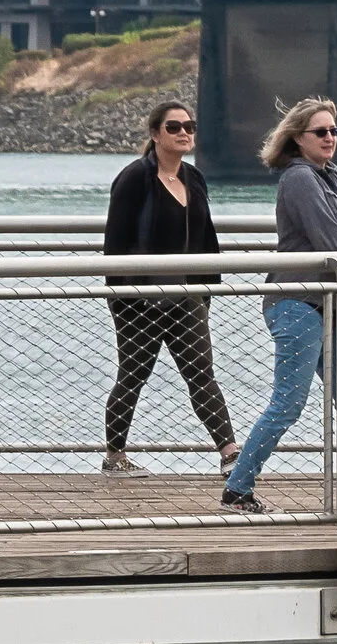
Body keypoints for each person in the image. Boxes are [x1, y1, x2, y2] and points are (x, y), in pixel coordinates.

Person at [220, 97, 337, 514]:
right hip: (296, 303)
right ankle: (237, 488)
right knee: (289, 402)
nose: (330, 138)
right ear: (298, 139)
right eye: (321, 132)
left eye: (334, 131)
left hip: (329, 303)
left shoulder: (333, 175)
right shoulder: (298, 179)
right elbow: (328, 240)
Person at [100, 100, 237, 476]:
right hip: (138, 300)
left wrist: (206, 291)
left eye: (189, 127)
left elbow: (206, 237)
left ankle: (229, 453)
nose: (183, 133)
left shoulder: (194, 178)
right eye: (174, 127)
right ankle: (114, 456)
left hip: (187, 296)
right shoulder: (134, 178)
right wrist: (122, 296)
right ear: (155, 134)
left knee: (201, 373)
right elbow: (115, 244)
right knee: (133, 374)